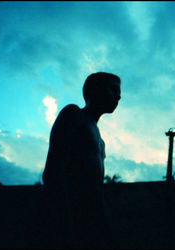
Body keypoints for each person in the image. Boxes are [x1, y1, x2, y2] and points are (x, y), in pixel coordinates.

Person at [42, 72, 121, 248]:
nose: (118, 95)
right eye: (112, 89)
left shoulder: (101, 142)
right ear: (93, 90)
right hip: (68, 216)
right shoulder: (73, 114)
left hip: (90, 220)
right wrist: (65, 222)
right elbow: (53, 173)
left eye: (119, 91)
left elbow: (96, 190)